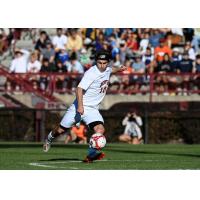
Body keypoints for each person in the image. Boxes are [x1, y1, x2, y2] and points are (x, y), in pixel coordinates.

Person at [43, 49, 127, 162]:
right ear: (96, 61)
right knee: (60, 130)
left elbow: (110, 70)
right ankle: (49, 138)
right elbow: (79, 89)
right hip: (79, 106)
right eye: (99, 63)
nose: (102, 65)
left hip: (92, 109)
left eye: (104, 63)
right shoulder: (91, 73)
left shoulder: (107, 69)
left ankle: (91, 155)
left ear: (108, 62)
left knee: (100, 129)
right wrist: (80, 106)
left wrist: (119, 69)